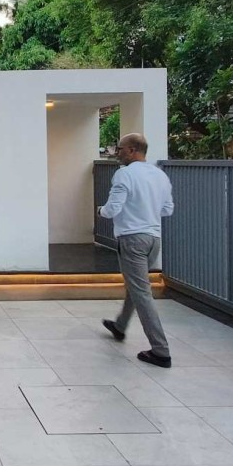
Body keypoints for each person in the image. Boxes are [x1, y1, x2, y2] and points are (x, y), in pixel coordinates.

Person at [98, 132, 175, 367]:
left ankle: (160, 351)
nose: (117, 153)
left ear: (132, 150)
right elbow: (167, 209)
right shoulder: (160, 175)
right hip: (153, 239)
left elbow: (113, 209)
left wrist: (101, 210)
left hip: (132, 240)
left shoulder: (124, 174)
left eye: (120, 148)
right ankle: (120, 325)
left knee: (141, 292)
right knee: (137, 285)